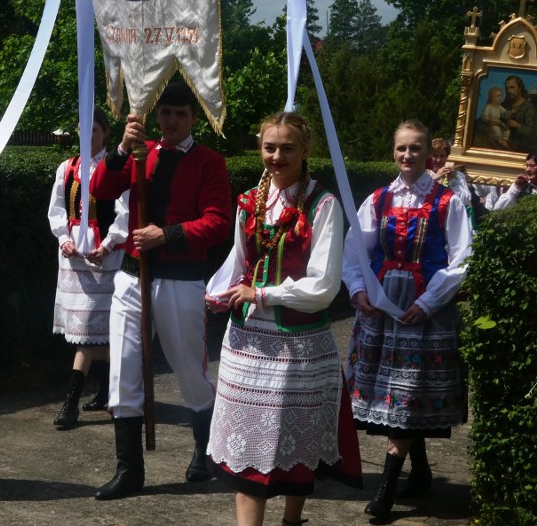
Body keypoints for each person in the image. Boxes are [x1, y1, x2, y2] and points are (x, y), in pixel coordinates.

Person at [204, 112, 363, 526]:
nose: (277, 156)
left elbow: (324, 286)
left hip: (299, 344)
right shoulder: (248, 202)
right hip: (246, 341)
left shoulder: (323, 205)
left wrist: (263, 294)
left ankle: (292, 521)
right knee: (245, 456)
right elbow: (237, 262)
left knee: (296, 445)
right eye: (270, 147)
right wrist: (219, 291)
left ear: (305, 150)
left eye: (287, 148)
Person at [90, 80, 232, 500]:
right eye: (165, 113)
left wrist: (167, 235)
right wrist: (119, 151)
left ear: (193, 118)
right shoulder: (140, 153)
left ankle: (204, 452)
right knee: (124, 370)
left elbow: (219, 222)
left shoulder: (209, 162)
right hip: (133, 276)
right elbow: (99, 190)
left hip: (180, 278)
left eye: (180, 114)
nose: (171, 121)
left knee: (189, 369)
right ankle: (129, 469)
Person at [343, 119, 472, 519]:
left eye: (415, 148)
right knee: (397, 398)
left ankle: (385, 491)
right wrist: (358, 290)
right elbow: (355, 252)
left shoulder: (447, 201)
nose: (407, 155)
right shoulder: (379, 199)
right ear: (393, 151)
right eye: (401, 148)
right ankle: (422, 472)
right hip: (382, 310)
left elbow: (462, 258)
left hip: (422, 313)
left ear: (428, 154)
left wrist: (431, 301)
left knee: (408, 394)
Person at [48, 111, 128, 428]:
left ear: (105, 133)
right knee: (95, 336)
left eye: (93, 129)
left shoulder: (115, 167)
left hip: (104, 260)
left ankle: (71, 402)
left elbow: (123, 211)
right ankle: (107, 390)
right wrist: (63, 238)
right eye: (82, 129)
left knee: (88, 336)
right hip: (73, 261)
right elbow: (57, 210)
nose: (87, 135)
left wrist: (108, 244)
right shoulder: (68, 168)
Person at [429, 138, 472, 224]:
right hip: (431, 220)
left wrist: (451, 181)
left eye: (442, 156)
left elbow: (466, 199)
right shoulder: (423, 175)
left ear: (447, 157)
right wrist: (435, 178)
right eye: (435, 156)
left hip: (453, 220)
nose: (438, 160)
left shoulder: (458, 175)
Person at [502, 75, 536, 152]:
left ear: (520, 88)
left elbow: (532, 132)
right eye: (507, 88)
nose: (509, 91)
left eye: (512, 87)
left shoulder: (529, 108)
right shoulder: (505, 105)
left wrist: (518, 125)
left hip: (520, 147)